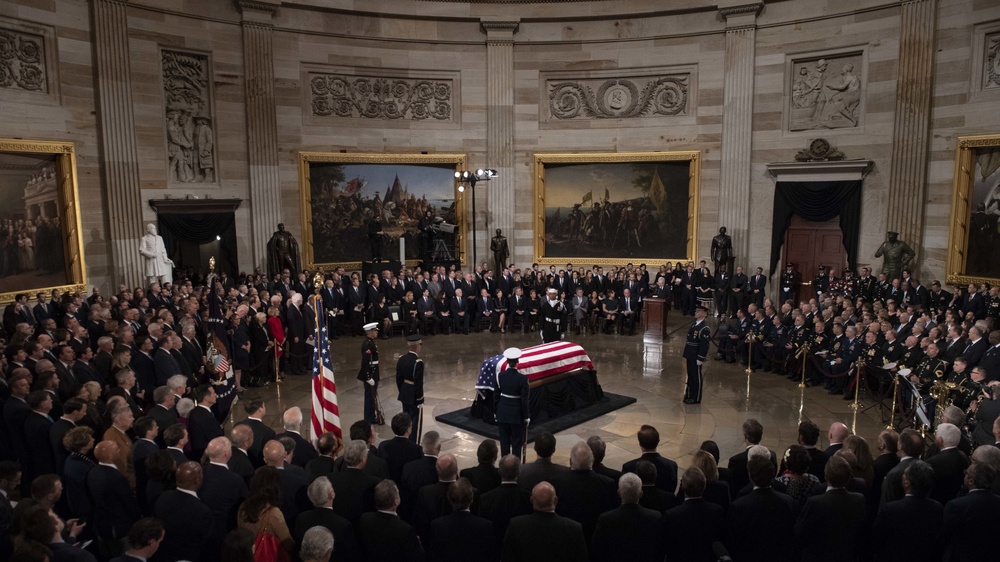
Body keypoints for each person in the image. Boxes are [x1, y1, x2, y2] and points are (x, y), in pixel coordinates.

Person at [501, 482, 588, 562]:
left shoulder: (516, 525)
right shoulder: (573, 528)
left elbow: (507, 558)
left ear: (531, 500)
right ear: (556, 500)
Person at [592, 473, 662, 562]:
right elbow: (659, 548)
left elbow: (598, 549)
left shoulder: (605, 519)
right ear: (641, 494)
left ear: (619, 493)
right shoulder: (655, 517)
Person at [495, 347, 530, 459]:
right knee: (516, 444)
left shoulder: (500, 376)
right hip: (516, 415)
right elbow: (524, 400)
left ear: (507, 362)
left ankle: (504, 465)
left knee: (504, 443)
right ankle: (515, 467)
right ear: (517, 362)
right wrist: (526, 416)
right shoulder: (523, 379)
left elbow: (496, 396)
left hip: (502, 412)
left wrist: (495, 412)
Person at [396, 334, 425, 442]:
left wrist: (403, 391)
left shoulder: (401, 359)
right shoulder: (418, 363)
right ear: (417, 346)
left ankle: (405, 441)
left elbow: (398, 379)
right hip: (414, 396)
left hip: (404, 393)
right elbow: (418, 383)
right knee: (415, 422)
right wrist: (420, 399)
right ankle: (414, 443)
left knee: (405, 420)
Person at [683, 306, 710, 404]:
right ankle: (690, 394)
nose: (696, 313)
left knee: (696, 377)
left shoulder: (704, 327)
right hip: (690, 353)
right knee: (690, 375)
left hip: (695, 355)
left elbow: (704, 345)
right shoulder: (695, 324)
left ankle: (696, 397)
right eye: (696, 311)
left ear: (704, 314)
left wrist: (701, 357)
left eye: (698, 311)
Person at [358, 323, 382, 426]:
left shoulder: (371, 342)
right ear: (369, 332)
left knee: (372, 397)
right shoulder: (367, 344)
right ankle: (368, 419)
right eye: (375, 331)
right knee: (369, 397)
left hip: (374, 372)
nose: (376, 332)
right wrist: (368, 377)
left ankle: (371, 417)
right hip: (370, 374)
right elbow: (365, 362)